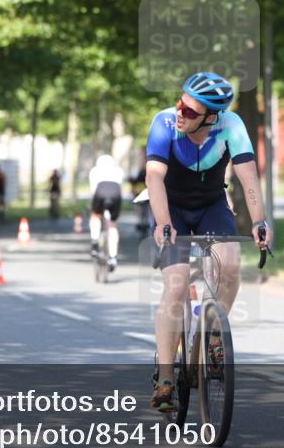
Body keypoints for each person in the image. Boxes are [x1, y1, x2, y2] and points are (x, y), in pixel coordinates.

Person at [146, 72, 269, 412]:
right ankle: (166, 378)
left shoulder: (231, 125)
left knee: (230, 266)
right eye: (181, 103)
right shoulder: (164, 123)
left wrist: (259, 221)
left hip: (212, 206)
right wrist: (163, 223)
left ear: (211, 117)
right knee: (176, 282)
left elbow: (248, 177)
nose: (180, 112)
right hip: (171, 208)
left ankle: (213, 335)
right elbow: (154, 176)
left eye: (190, 111)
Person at [88, 154, 124, 271]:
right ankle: (113, 257)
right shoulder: (118, 171)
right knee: (112, 225)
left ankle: (94, 240)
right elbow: (121, 188)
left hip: (100, 191)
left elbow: (93, 191)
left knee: (95, 216)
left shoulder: (94, 171)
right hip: (115, 193)